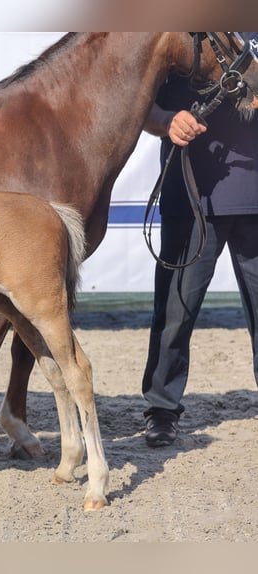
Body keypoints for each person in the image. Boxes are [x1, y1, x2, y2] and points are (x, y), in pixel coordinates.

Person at [141, 71, 258, 447]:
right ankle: (161, 407)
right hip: (190, 196)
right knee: (175, 311)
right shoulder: (177, 34)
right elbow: (140, 104)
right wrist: (165, 121)